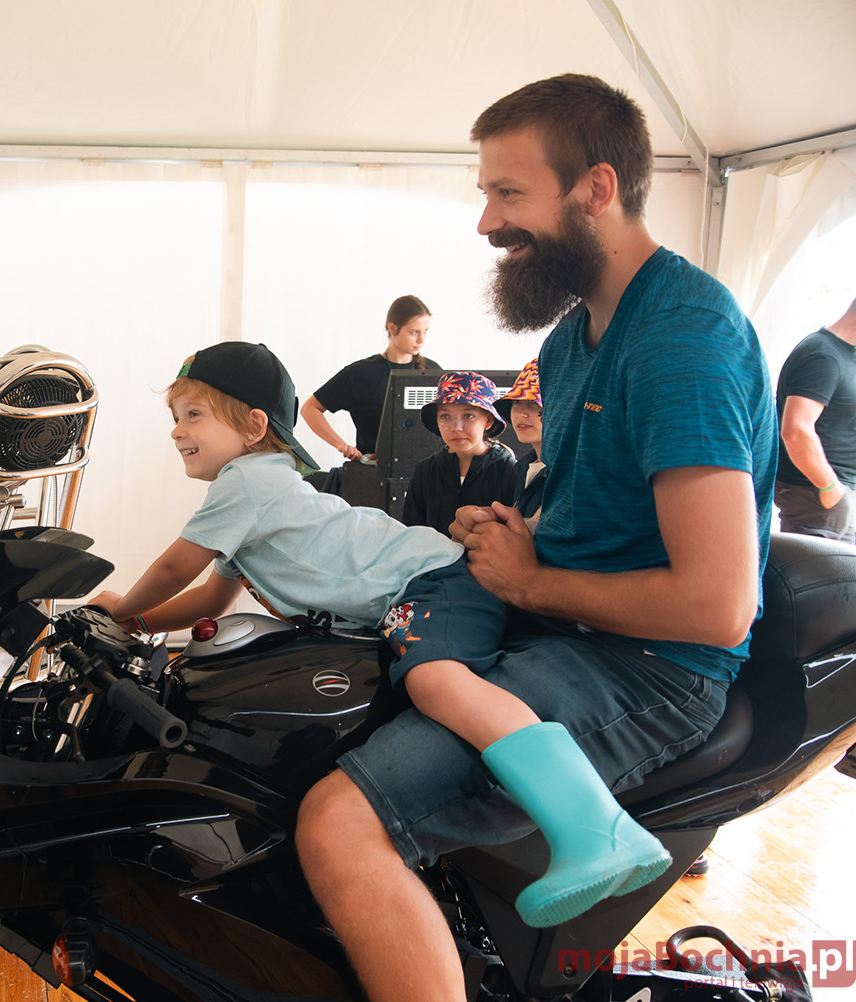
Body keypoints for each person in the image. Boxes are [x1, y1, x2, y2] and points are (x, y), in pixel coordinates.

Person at [294, 73, 776, 1002]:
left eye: (507, 194)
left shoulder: (682, 338)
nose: (486, 223)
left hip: (650, 667)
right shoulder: (569, 342)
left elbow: (717, 607)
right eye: (486, 194)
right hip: (569, 627)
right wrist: (513, 532)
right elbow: (591, 516)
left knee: (339, 824)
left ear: (596, 188)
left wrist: (530, 583)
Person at [88, 340, 669, 931]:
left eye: (194, 414)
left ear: (255, 426)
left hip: (430, 581)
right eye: (175, 416)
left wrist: (122, 606)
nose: (177, 430)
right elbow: (212, 598)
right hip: (423, 584)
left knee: (437, 683)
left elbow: (174, 569)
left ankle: (596, 829)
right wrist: (135, 624)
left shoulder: (244, 485)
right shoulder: (261, 492)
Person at [302, 295, 440, 461]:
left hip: (426, 468)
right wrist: (341, 445)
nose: (421, 339)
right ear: (392, 328)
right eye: (414, 332)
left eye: (425, 331)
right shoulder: (361, 373)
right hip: (373, 469)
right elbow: (310, 409)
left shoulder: (433, 371)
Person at [774, 294, 856, 541]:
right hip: (815, 496)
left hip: (826, 498)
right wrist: (829, 487)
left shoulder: (838, 353)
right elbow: (796, 430)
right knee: (821, 568)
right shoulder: (823, 356)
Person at [400, 371, 517, 536]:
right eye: (445, 416)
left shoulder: (509, 470)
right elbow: (411, 532)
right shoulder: (425, 470)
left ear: (488, 420)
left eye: (468, 416)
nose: (456, 427)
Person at [495, 358, 547, 527]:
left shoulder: (571, 469)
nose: (521, 414)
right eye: (517, 402)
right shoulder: (522, 466)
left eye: (534, 403)